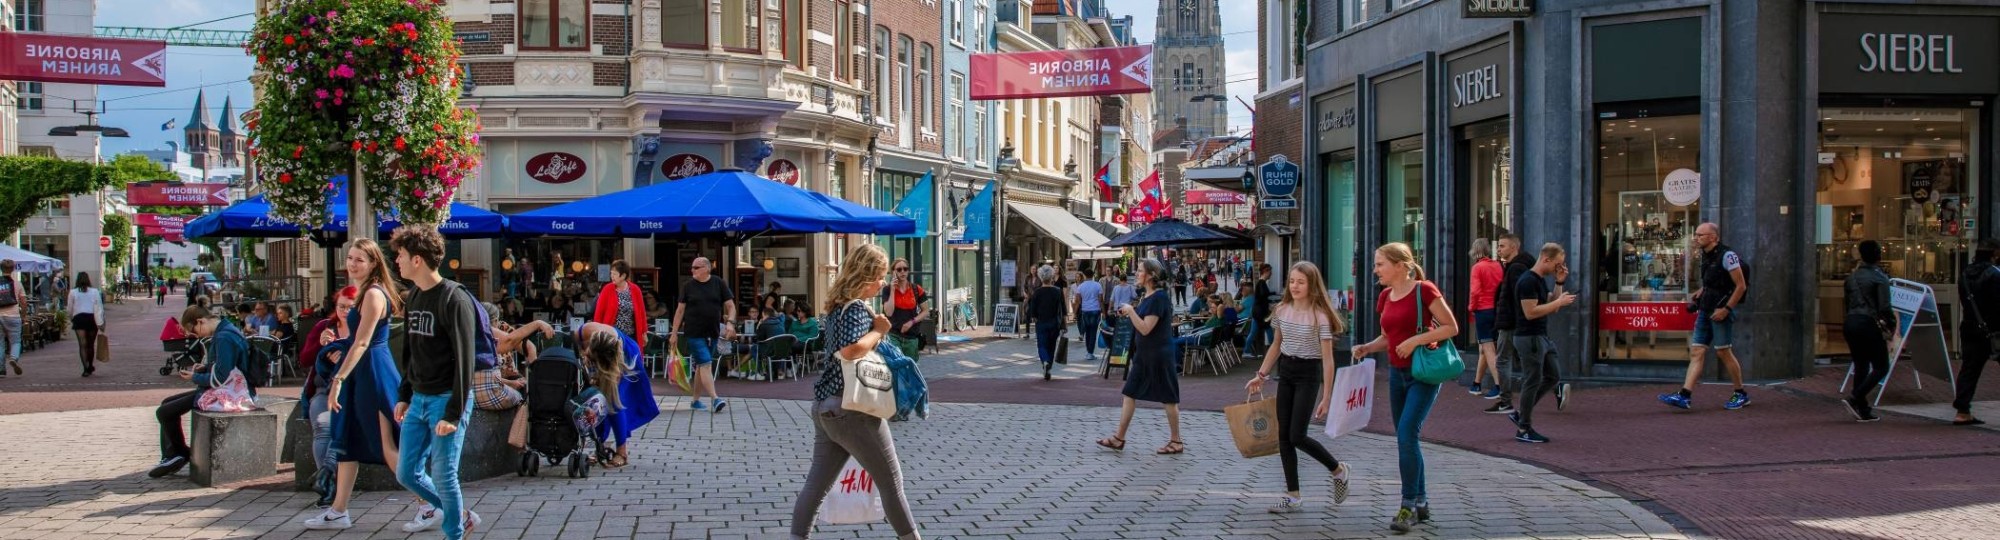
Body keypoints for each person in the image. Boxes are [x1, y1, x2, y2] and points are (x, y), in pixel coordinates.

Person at [790, 244, 921, 540]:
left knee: (816, 485)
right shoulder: (857, 310)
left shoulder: (837, 306)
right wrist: (879, 331)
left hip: (826, 407)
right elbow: (849, 352)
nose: (883, 283)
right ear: (865, 276)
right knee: (891, 482)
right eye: (880, 276)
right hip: (853, 409)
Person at [305, 240, 423, 532]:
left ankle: (428, 503)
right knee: (347, 440)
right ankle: (338, 510)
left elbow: (362, 342)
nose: (352, 263)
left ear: (373, 264)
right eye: (350, 258)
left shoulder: (372, 294)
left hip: (371, 371)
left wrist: (339, 378)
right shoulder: (364, 294)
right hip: (363, 371)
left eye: (360, 259)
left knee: (386, 443)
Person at [1351, 242, 1457, 533]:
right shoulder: (1385, 296)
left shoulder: (1425, 291)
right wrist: (1368, 347)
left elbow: (1451, 327)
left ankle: (1407, 505)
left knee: (1407, 435)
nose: (1375, 270)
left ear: (1400, 266)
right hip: (1397, 375)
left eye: (1380, 264)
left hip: (1423, 373)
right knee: (1406, 437)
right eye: (1375, 264)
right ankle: (1421, 502)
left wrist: (1415, 341)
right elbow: (1389, 337)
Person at [387, 226, 483, 537]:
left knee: (444, 474)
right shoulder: (414, 295)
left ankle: (454, 532)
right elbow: (410, 351)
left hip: (446, 399)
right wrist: (404, 393)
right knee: (407, 473)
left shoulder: (454, 299)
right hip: (418, 398)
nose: (396, 261)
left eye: (400, 256)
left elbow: (465, 359)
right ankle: (461, 514)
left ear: (417, 260)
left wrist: (453, 413)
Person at [1246, 261, 1350, 513]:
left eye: (1301, 282)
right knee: (1284, 437)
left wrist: (1327, 397)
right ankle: (1293, 495)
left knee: (1297, 435)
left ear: (1312, 285)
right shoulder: (1282, 310)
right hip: (1287, 372)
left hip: (1308, 374)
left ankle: (1338, 470)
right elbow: (1276, 346)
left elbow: (1327, 359)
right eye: (1292, 281)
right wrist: (1261, 375)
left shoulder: (1320, 316)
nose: (1295, 286)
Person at [148, 304, 253, 479]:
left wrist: (194, 377)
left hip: (227, 393)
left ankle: (179, 454)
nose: (198, 336)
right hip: (227, 387)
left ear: (200, 321)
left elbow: (220, 378)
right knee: (167, 403)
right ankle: (172, 454)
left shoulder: (224, 337)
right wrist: (204, 367)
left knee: (164, 412)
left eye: (196, 332)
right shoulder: (226, 330)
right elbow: (225, 366)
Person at [1095, 257, 1184, 455]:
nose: (1136, 273)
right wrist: (1129, 312)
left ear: (1151, 276)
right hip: (1144, 356)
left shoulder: (1159, 298)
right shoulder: (1147, 296)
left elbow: (1145, 328)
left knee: (1169, 398)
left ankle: (1176, 441)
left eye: (1140, 270)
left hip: (1159, 355)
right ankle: (1119, 438)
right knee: (1129, 393)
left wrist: (1131, 311)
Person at [1661, 223, 1751, 411]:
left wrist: (1726, 309)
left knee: (1723, 352)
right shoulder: (1705, 256)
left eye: (1700, 235)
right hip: (1705, 309)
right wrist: (1702, 291)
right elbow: (1714, 281)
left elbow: (1740, 286)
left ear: (1713, 237)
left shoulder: (1728, 256)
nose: (1696, 238)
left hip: (1720, 310)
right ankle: (1684, 395)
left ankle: (1741, 393)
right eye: (1695, 234)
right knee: (1697, 351)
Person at [1509, 243, 1577, 444]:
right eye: (1557, 264)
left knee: (1553, 376)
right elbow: (1530, 312)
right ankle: (1524, 428)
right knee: (1532, 380)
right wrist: (1559, 302)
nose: (1559, 267)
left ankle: (1522, 413)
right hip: (1529, 337)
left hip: (1541, 336)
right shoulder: (1527, 281)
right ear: (1546, 259)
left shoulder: (1538, 280)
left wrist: (1559, 282)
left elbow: (1550, 305)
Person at [299, 287, 358, 508]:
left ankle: (325, 477)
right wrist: (319, 345)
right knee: (323, 426)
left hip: (352, 391)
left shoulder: (363, 329)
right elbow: (304, 360)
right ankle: (329, 485)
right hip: (324, 389)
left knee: (342, 427)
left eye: (350, 308)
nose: (344, 312)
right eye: (341, 307)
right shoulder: (324, 327)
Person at [671, 257, 737, 412]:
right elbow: (680, 311)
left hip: (712, 332)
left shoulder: (718, 283)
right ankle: (715, 398)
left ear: (707, 268)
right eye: (692, 267)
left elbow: (731, 306)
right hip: (694, 333)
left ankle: (695, 401)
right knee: (706, 363)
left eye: (696, 267)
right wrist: (674, 333)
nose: (692, 270)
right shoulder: (688, 286)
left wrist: (730, 323)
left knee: (702, 366)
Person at [1842, 240, 1893, 423]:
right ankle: (1856, 396)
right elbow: (1885, 307)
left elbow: (1846, 303)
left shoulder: (1851, 277)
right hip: (1869, 323)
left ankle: (1862, 408)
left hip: (1851, 322)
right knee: (1881, 366)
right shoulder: (1880, 278)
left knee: (1861, 364)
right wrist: (1891, 327)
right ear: (1878, 254)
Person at [1487, 235, 1533, 415]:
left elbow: (1516, 297)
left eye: (1502, 246)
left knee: (1503, 359)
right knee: (1528, 361)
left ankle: (1505, 400)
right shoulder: (1520, 266)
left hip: (1511, 322)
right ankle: (1556, 387)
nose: (1498, 250)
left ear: (1514, 247)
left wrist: (1509, 319)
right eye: (1498, 246)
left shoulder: (1515, 269)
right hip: (1518, 321)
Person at [1467, 239, 1504, 398]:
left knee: (1488, 348)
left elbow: (1475, 291)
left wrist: (1471, 307)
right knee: (1485, 347)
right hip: (1496, 310)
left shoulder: (1477, 268)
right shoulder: (1497, 265)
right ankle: (1476, 384)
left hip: (1483, 309)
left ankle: (1499, 385)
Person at [592, 259, 651, 359]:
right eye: (611, 273)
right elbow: (599, 313)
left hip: (631, 335)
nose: (612, 276)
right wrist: (598, 332)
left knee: (631, 362)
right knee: (614, 364)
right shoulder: (607, 289)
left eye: (614, 274)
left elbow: (641, 312)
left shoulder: (635, 289)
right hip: (613, 335)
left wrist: (644, 332)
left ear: (623, 276)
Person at [1026, 265, 1067, 380]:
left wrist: (1034, 318)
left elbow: (1032, 311)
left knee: (1041, 344)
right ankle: (1049, 365)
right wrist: (1064, 323)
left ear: (1040, 277)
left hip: (1042, 322)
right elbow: (1063, 309)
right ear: (1051, 276)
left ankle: (1045, 361)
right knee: (1052, 345)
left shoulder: (1037, 292)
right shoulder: (1057, 291)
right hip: (1055, 322)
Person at [885, 259, 929, 361]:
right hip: (893, 335)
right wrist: (892, 290)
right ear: (893, 272)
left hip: (911, 337)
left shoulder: (916, 289)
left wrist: (912, 322)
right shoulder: (887, 289)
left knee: (910, 370)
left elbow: (925, 311)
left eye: (905, 269)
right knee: (897, 367)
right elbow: (889, 312)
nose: (902, 272)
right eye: (899, 269)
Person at [68, 272, 105, 377]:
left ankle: (85, 368)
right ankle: (90, 365)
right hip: (91, 318)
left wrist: (72, 318)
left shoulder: (73, 292)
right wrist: (101, 320)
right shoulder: (94, 291)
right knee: (90, 344)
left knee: (82, 345)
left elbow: (69, 308)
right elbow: (99, 306)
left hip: (79, 318)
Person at [1072, 268, 1104, 362]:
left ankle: (1088, 351)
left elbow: (1078, 301)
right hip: (1095, 309)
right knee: (1093, 331)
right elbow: (1100, 299)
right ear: (1093, 275)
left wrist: (1074, 312)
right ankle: (1090, 352)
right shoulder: (1098, 285)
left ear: (1085, 276)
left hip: (1085, 310)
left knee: (1087, 331)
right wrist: (1104, 312)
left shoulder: (1081, 287)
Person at [0, 260, 24, 378]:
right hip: (14, 315)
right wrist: (23, 315)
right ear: (13, 269)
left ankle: (1, 370)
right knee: (15, 341)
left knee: (0, 343)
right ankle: (13, 358)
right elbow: (23, 302)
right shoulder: (17, 283)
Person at [1248, 263, 1277, 356]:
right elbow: (1263, 295)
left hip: (1257, 311)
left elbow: (1263, 296)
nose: (1271, 274)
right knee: (1268, 329)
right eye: (1270, 272)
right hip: (1260, 312)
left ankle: (1246, 351)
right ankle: (1274, 349)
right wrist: (1274, 295)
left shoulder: (1261, 283)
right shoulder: (1261, 283)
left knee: (1253, 333)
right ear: (1265, 272)